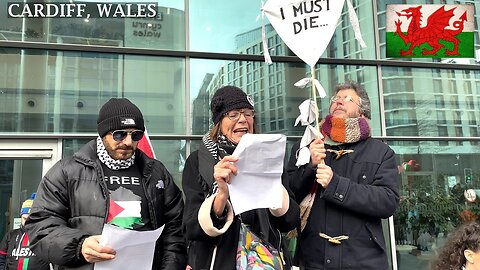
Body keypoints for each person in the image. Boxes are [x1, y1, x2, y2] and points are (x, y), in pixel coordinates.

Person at [25, 98, 187, 270]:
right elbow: (40, 227)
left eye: (136, 134)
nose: (128, 142)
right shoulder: (67, 172)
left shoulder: (157, 173)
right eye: (120, 134)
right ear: (103, 133)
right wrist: (80, 246)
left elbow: (175, 233)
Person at [182, 86, 300, 269]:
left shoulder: (268, 157)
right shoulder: (198, 161)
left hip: (265, 261)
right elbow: (192, 228)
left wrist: (270, 183)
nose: (243, 120)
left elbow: (289, 221)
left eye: (248, 113)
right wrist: (221, 195)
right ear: (219, 121)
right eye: (233, 114)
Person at [287, 81, 400, 269]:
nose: (339, 102)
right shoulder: (308, 147)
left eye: (348, 99)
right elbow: (289, 196)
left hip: (362, 261)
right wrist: (310, 167)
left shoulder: (381, 152)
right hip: (313, 260)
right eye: (336, 98)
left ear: (362, 112)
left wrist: (335, 185)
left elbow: (387, 201)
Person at [0, 193, 51, 270]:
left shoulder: (45, 235)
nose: (27, 222)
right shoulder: (11, 235)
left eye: (30, 218)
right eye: (24, 218)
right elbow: (1, 258)